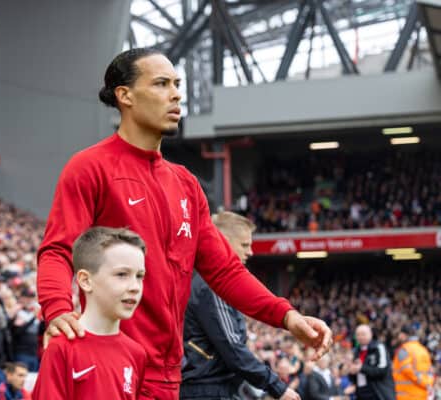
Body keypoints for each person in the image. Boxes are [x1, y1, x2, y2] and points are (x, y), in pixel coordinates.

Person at [37, 48, 333, 399]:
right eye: (162, 84)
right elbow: (58, 249)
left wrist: (287, 317)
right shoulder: (90, 168)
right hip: (109, 366)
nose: (177, 94)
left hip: (170, 375)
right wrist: (56, 308)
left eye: (177, 84)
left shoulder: (187, 185)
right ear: (125, 95)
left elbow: (225, 271)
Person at [180, 212, 299, 400]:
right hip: (208, 391)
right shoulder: (212, 285)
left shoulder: (202, 281)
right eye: (244, 244)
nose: (250, 252)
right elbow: (233, 348)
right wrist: (277, 387)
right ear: (223, 242)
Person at [33, 227, 148, 399]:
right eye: (122, 274)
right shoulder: (62, 348)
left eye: (139, 276)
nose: (134, 287)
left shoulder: (137, 354)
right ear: (86, 281)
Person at [348, 324, 395, 400]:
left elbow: (383, 370)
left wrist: (361, 368)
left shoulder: (379, 347)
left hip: (378, 392)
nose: (360, 337)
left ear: (371, 334)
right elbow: (355, 376)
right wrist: (351, 372)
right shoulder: (356, 351)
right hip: (361, 393)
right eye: (358, 335)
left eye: (363, 334)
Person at [392, 325, 434, 400]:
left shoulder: (404, 350)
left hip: (407, 395)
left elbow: (408, 371)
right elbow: (430, 371)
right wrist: (427, 384)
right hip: (422, 395)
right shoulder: (423, 349)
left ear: (403, 335)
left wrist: (423, 382)